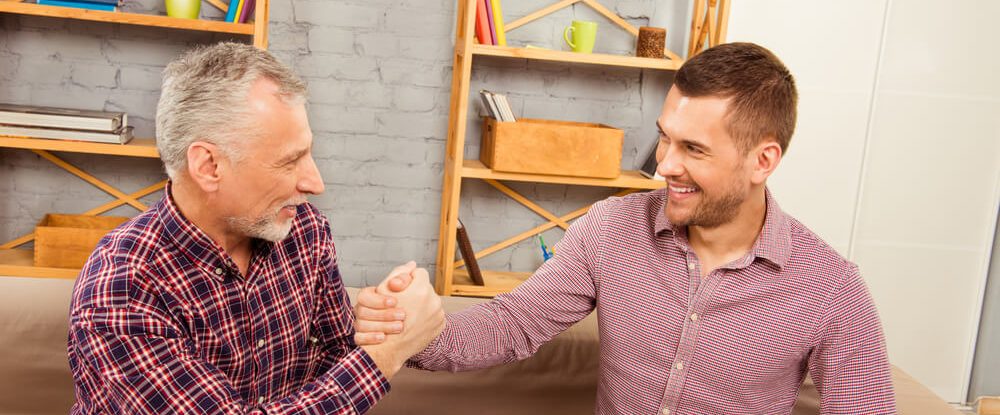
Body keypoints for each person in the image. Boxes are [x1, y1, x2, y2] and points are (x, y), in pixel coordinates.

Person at [355, 42, 897, 415]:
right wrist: (414, 329)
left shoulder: (831, 288)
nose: (664, 164)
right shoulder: (612, 227)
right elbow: (513, 324)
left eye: (694, 149)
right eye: (665, 136)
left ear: (763, 161)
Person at [66, 42, 444, 414]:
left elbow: (336, 357)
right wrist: (385, 354)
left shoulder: (305, 230)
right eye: (289, 161)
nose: (315, 183)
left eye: (308, 152)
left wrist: (387, 318)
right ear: (209, 166)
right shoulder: (122, 287)